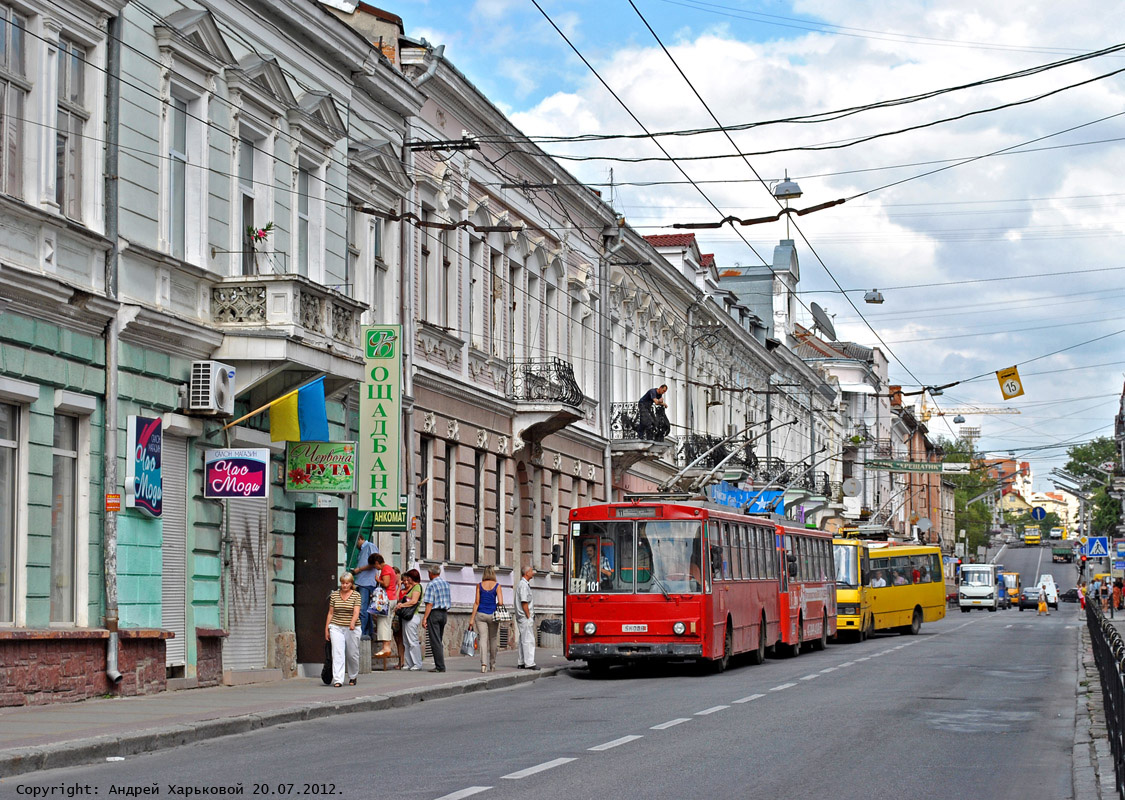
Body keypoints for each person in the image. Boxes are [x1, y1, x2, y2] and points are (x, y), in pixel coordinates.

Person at [324, 572, 361, 687]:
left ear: (351, 584)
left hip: (352, 628)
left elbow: (356, 611)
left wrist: (352, 622)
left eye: (347, 583)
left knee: (352, 654)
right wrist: (327, 629)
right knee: (338, 652)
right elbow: (330, 613)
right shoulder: (335, 595)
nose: (344, 586)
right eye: (343, 583)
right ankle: (338, 679)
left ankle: (353, 676)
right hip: (336, 626)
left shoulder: (356, 595)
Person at [469, 565, 505, 673]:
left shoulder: (479, 586)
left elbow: (476, 603)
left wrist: (471, 619)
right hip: (493, 615)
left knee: (483, 639)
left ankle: (483, 665)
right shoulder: (497, 586)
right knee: (493, 639)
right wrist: (494, 604)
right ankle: (492, 664)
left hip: (480, 615)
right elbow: (501, 602)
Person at [421, 565, 452, 673]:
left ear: (431, 573)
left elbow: (429, 604)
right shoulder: (446, 584)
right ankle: (440, 664)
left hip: (434, 613)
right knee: (439, 639)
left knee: (435, 641)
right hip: (444, 613)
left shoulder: (431, 584)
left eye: (428, 573)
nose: (428, 575)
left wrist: (425, 618)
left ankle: (440, 666)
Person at [351, 532, 380, 641]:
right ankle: (368, 632)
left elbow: (375, 563)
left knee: (363, 609)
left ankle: (362, 633)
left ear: (360, 539)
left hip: (367, 582)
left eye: (355, 542)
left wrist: (359, 570)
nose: (355, 545)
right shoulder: (362, 550)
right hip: (362, 581)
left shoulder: (370, 546)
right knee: (366, 609)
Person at [397, 569, 424, 671]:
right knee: (406, 641)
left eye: (409, 577)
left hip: (412, 616)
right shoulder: (412, 587)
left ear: (412, 578)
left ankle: (417, 663)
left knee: (412, 641)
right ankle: (409, 663)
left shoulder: (417, 587)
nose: (407, 579)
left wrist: (402, 605)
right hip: (406, 617)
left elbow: (414, 601)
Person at [372, 554, 398, 658]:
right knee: (387, 622)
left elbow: (386, 584)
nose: (375, 568)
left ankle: (386, 647)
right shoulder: (390, 569)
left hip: (387, 598)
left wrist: (378, 580)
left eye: (375, 566)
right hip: (392, 598)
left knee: (383, 623)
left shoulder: (385, 570)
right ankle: (387, 647)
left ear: (377, 563)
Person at [515, 563, 539, 670]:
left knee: (522, 639)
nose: (533, 572)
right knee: (529, 640)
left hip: (522, 616)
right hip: (525, 617)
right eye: (531, 571)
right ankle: (529, 663)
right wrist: (529, 616)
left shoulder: (523, 584)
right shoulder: (523, 585)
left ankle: (521, 662)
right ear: (526, 573)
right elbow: (524, 602)